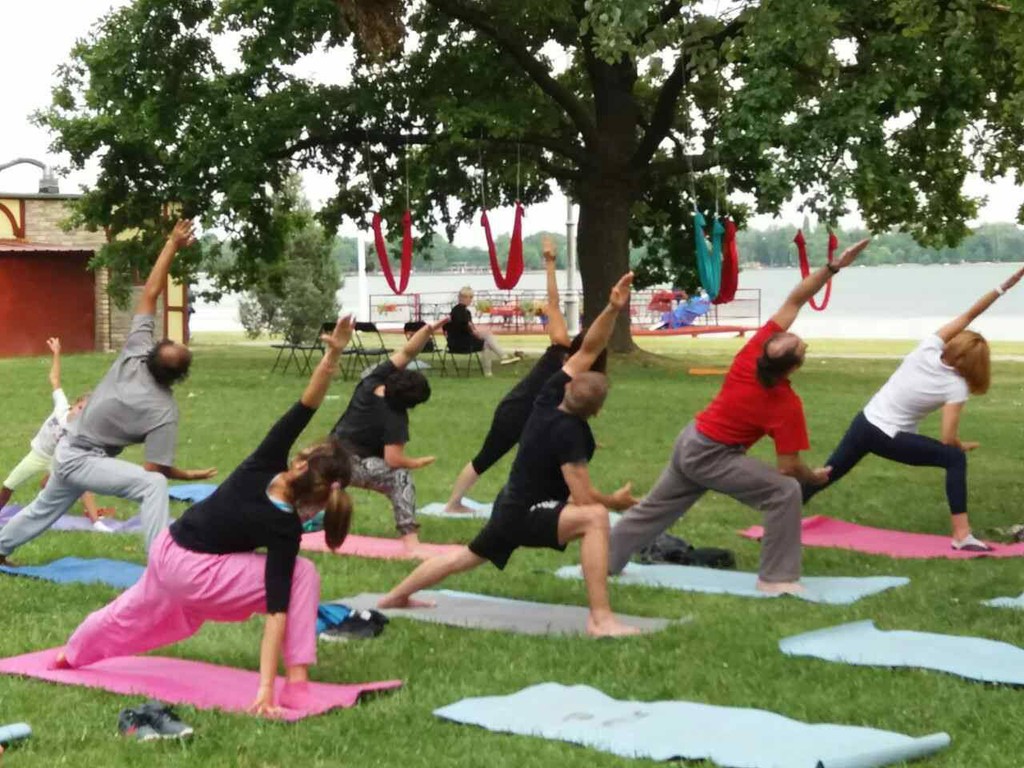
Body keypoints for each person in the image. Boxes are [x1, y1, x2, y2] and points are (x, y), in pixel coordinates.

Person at [55, 317, 358, 716]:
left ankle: (71, 653)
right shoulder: (284, 527)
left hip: (167, 549)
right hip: (195, 574)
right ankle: (298, 684)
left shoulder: (264, 463)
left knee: (128, 612)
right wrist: (268, 689)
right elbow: (277, 612)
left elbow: (306, 405)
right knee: (304, 575)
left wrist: (333, 354)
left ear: (300, 463)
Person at [378, 272, 642, 638]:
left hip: (513, 506)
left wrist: (613, 309)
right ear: (595, 412)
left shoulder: (550, 396)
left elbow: (589, 350)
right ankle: (600, 620)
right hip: (525, 513)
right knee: (595, 517)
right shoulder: (571, 434)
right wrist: (614, 501)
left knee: (463, 558)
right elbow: (581, 498)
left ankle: (395, 596)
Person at [608, 238, 871, 594]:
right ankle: (776, 580)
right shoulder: (784, 403)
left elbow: (796, 299)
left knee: (654, 510)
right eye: (801, 346)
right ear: (792, 367)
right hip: (712, 454)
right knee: (785, 493)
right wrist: (815, 477)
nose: (799, 338)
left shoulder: (752, 354)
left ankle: (604, 560)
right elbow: (790, 468)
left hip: (692, 439)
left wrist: (835, 266)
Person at [0, 220, 216, 565]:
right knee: (154, 488)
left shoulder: (135, 354)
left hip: (68, 448)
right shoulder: (164, 409)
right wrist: (185, 475)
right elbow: (155, 471)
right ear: (180, 377)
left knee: (43, 509)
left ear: (153, 352)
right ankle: (163, 567)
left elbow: (150, 293)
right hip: (82, 457)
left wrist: (172, 244)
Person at [803, 266, 1024, 551]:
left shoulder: (928, 348)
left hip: (865, 422)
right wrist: (959, 445)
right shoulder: (956, 386)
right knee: (955, 459)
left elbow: (969, 315)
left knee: (827, 475)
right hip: (888, 435)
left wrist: (1002, 287)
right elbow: (947, 438)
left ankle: (779, 513)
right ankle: (961, 535)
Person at [444, 237, 606, 514]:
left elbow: (553, 304)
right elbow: (554, 304)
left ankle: (555, 500)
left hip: (534, 417)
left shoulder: (565, 353)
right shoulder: (566, 353)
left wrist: (551, 262)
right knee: (488, 457)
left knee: (551, 460)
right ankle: (453, 504)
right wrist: (550, 263)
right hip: (517, 411)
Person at [330, 320, 447, 558]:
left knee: (309, 498)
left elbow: (407, 351)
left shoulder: (371, 382)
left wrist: (427, 330)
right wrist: (415, 462)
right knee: (400, 477)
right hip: (351, 465)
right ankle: (411, 543)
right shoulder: (396, 418)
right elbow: (393, 460)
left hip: (327, 453)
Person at [0, 338, 114, 529]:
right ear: (75, 403)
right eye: (80, 407)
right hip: (38, 454)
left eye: (85, 411)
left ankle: (96, 524)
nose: (80, 412)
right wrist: (56, 353)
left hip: (58, 459)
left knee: (80, 484)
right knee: (10, 483)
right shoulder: (61, 405)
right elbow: (54, 379)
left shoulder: (81, 429)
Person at [447, 285, 520, 376]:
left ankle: (493, 367)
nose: (469, 300)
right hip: (460, 343)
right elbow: (464, 326)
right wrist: (474, 332)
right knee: (487, 341)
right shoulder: (457, 311)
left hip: (465, 339)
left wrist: (475, 332)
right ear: (460, 297)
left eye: (471, 297)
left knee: (487, 340)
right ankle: (501, 358)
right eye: (467, 297)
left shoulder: (466, 312)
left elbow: (470, 327)